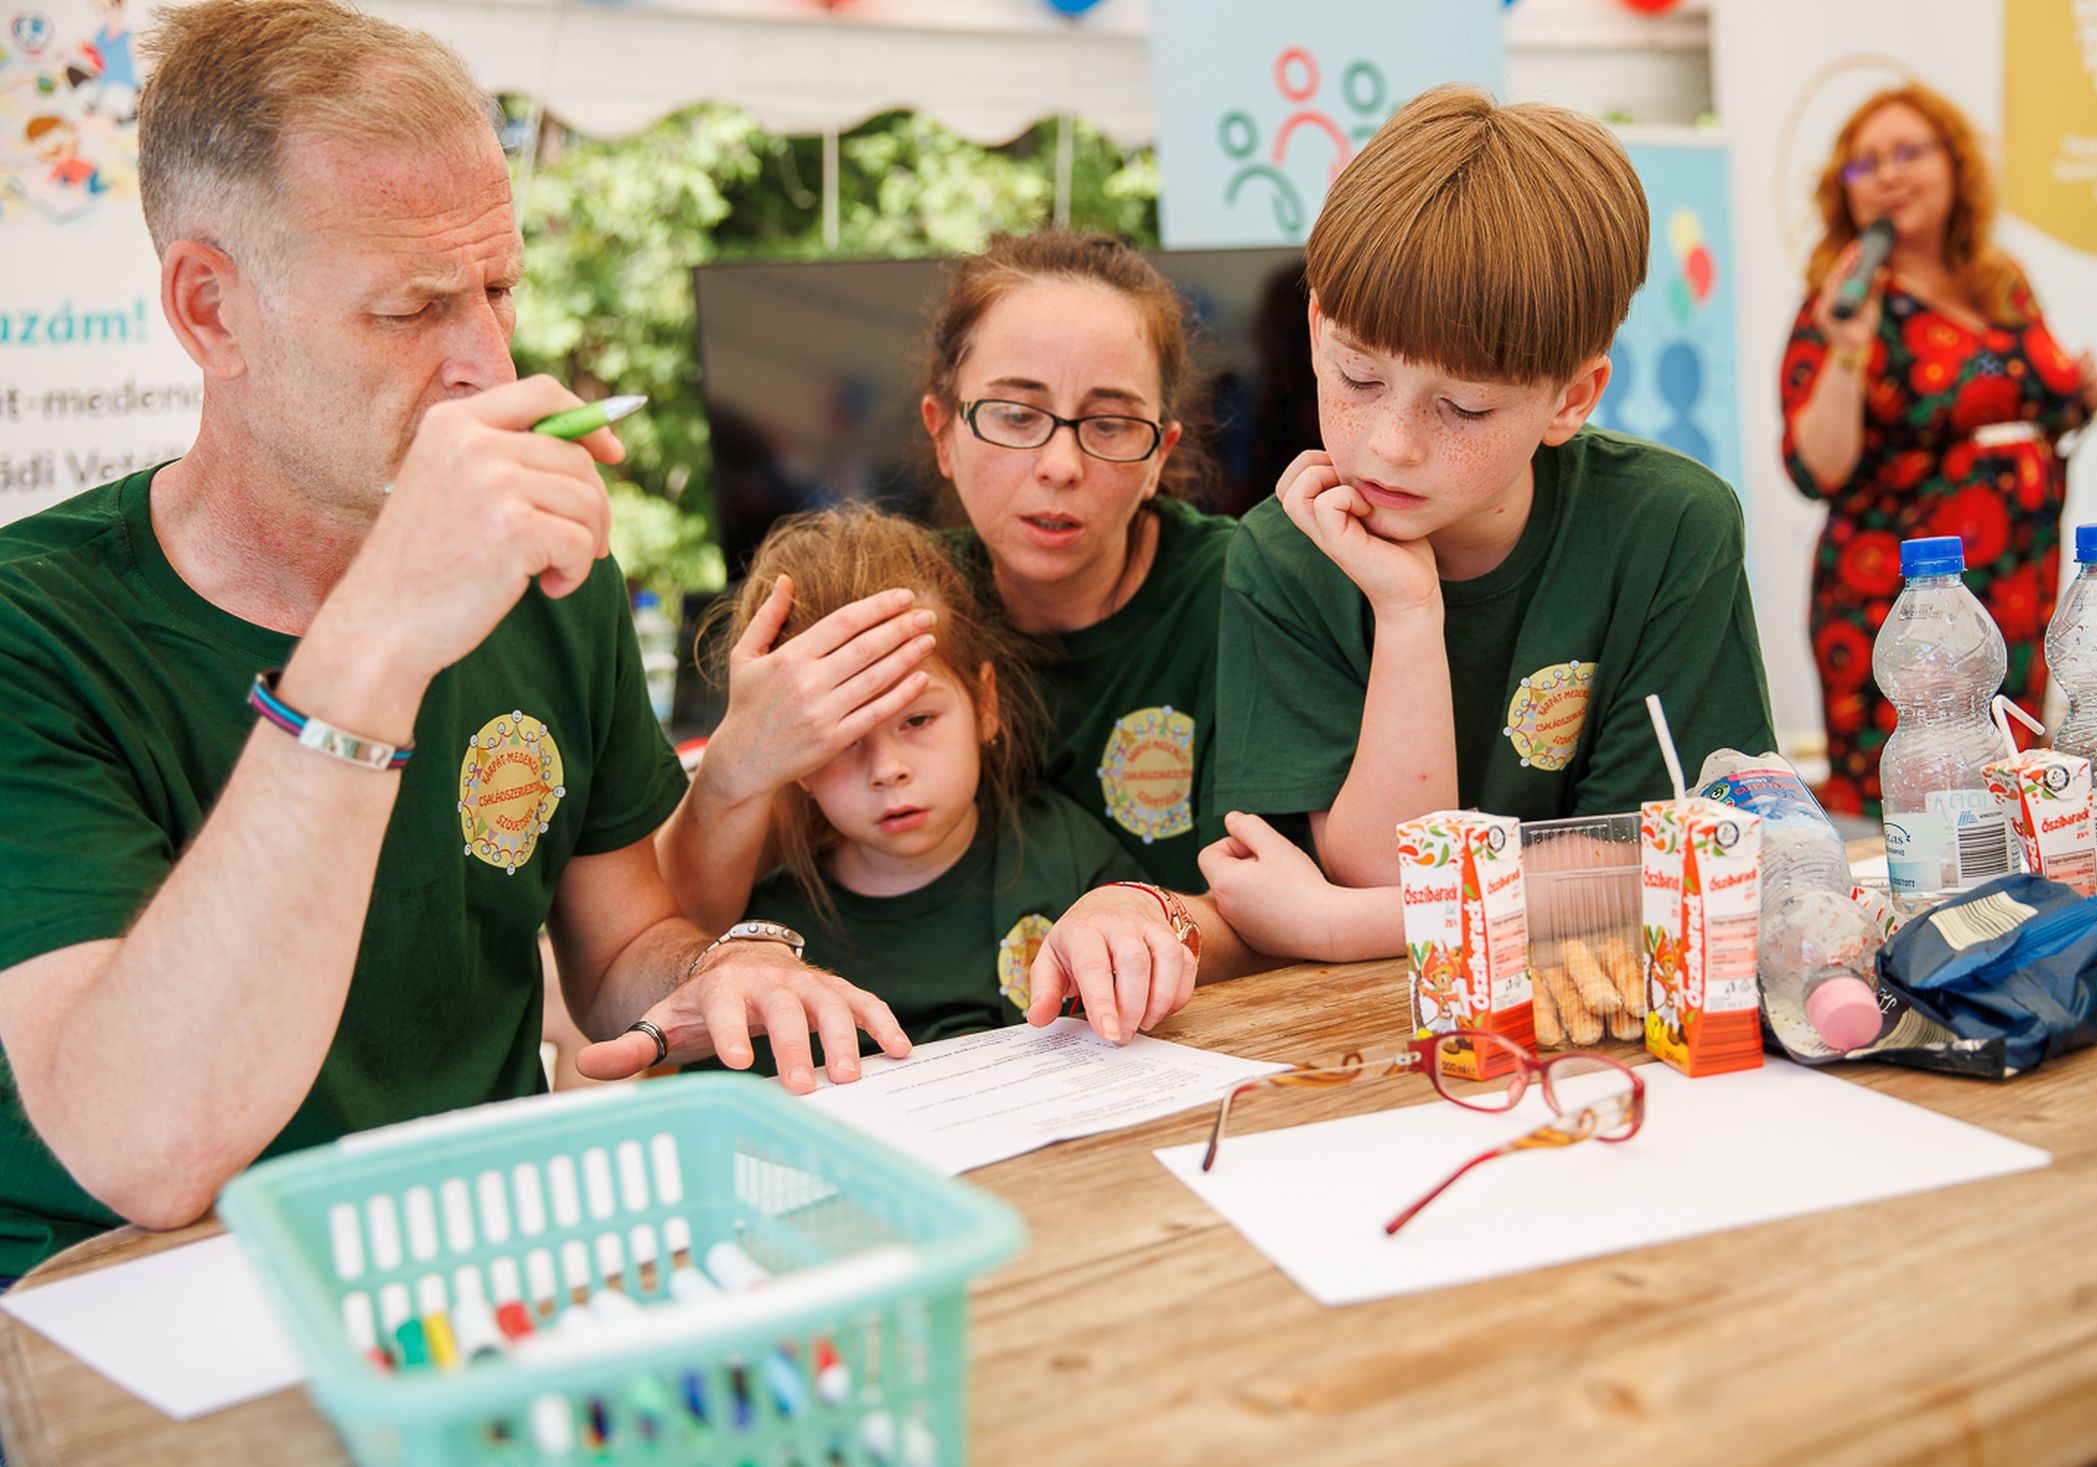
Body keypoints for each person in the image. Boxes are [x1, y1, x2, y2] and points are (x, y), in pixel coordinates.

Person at [0, 0, 905, 1282]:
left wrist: (727, 972)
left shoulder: (544, 572)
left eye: (498, 287)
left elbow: (617, 952)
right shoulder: (33, 630)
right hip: (126, 1318)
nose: (486, 362)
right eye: (411, 307)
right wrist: (376, 635)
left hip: (472, 1272)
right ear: (210, 311)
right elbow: (145, 1150)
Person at [1202, 85, 1777, 961]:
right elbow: (1381, 865)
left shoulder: (1669, 526)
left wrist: (1336, 925)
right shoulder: (1283, 556)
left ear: (1571, 398)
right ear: (1318, 330)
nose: (1390, 447)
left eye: (1464, 409)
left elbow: (1662, 855)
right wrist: (1406, 615)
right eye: (1358, 379)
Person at [660, 232, 1239, 929]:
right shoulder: (899, 606)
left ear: (1158, 455)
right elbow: (675, 929)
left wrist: (1152, 931)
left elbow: (1292, 912)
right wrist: (736, 765)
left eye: (1110, 423)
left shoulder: (1243, 597)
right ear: (943, 433)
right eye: (1016, 415)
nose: (1060, 464)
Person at [689, 507, 1199, 1064]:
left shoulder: (1068, 854)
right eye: (842, 737)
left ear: (985, 705)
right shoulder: (765, 943)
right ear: (795, 757)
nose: (887, 768)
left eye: (917, 720)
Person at [1782, 82, 2097, 817]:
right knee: (1925, 806)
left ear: (1955, 166)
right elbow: (1816, 466)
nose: (1889, 174)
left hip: (2019, 586)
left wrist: (2079, 400)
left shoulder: (2001, 282)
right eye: (1865, 164)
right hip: (1906, 607)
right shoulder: (1843, 300)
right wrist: (1847, 352)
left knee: (2007, 790)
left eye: (1908, 152)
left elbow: (2025, 410)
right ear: (1846, 192)